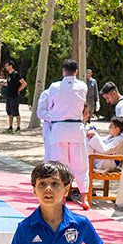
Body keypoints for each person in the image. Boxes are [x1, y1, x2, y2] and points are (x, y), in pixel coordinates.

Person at [37, 59, 90, 204]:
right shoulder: (82, 86)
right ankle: (84, 198)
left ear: (63, 71)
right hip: (76, 128)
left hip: (59, 128)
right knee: (80, 163)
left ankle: (62, 196)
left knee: (59, 163)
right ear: (76, 72)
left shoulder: (54, 87)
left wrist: (56, 115)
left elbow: (52, 106)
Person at [2, 60, 26, 133]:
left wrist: (18, 90)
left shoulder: (16, 74)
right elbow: (10, 84)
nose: (6, 67)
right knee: (9, 111)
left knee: (16, 111)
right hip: (8, 96)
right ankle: (10, 127)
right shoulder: (8, 75)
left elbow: (24, 83)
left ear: (10, 66)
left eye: (7, 66)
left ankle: (18, 128)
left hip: (14, 96)